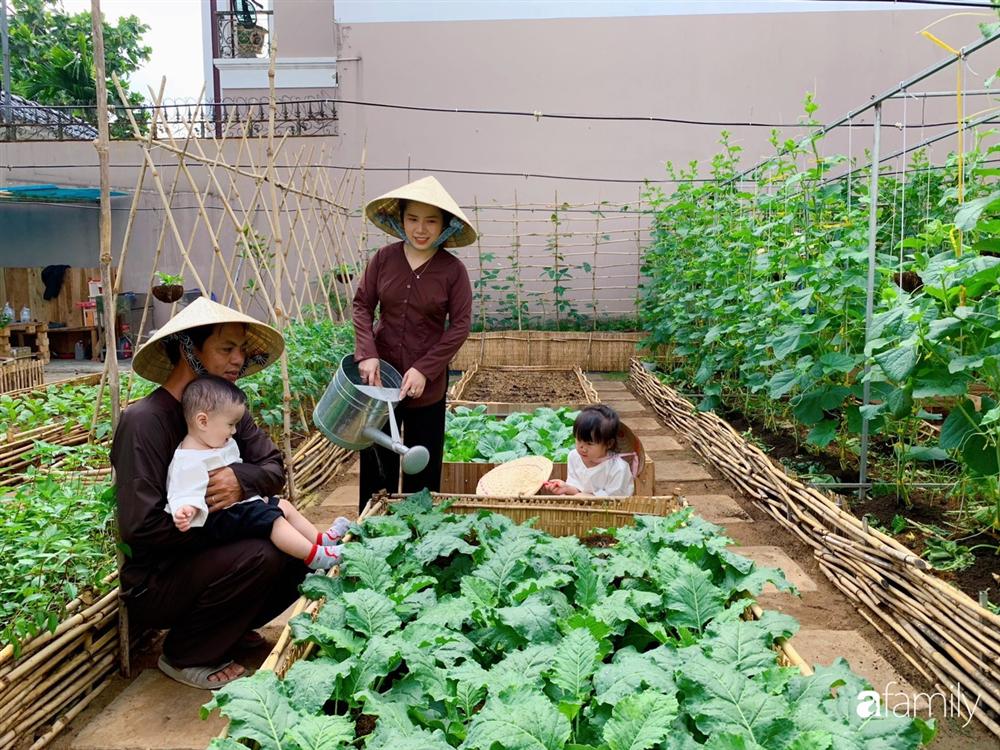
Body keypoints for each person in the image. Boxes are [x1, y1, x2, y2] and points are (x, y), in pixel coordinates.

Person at [111, 298, 305, 690]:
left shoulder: (225, 409)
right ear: (188, 349)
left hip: (202, 557)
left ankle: (225, 629)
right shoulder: (144, 422)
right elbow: (141, 527)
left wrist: (238, 480)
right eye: (226, 348)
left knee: (296, 551)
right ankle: (184, 654)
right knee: (261, 551)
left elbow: (272, 469)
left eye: (241, 350)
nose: (238, 360)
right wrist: (231, 522)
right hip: (157, 578)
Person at [353, 176, 476, 512]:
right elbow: (362, 305)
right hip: (381, 381)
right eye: (413, 219)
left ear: (445, 226)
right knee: (378, 466)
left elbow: (460, 325)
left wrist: (425, 368)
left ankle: (418, 534)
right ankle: (374, 531)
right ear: (400, 220)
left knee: (422, 464)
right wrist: (367, 354)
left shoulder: (453, 271)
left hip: (427, 385)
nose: (421, 229)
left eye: (431, 220)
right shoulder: (383, 259)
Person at [167, 375, 350, 570]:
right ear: (203, 421)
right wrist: (186, 509)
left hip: (238, 508)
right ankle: (315, 556)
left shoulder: (213, 441)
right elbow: (180, 491)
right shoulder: (187, 460)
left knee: (284, 505)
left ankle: (321, 540)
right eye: (230, 425)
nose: (235, 431)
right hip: (217, 519)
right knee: (270, 518)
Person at [545, 405, 636, 497]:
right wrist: (566, 488)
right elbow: (577, 489)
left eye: (589, 444)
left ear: (609, 444)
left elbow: (617, 499)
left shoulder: (618, 468)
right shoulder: (574, 456)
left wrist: (589, 498)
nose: (582, 448)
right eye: (578, 440)